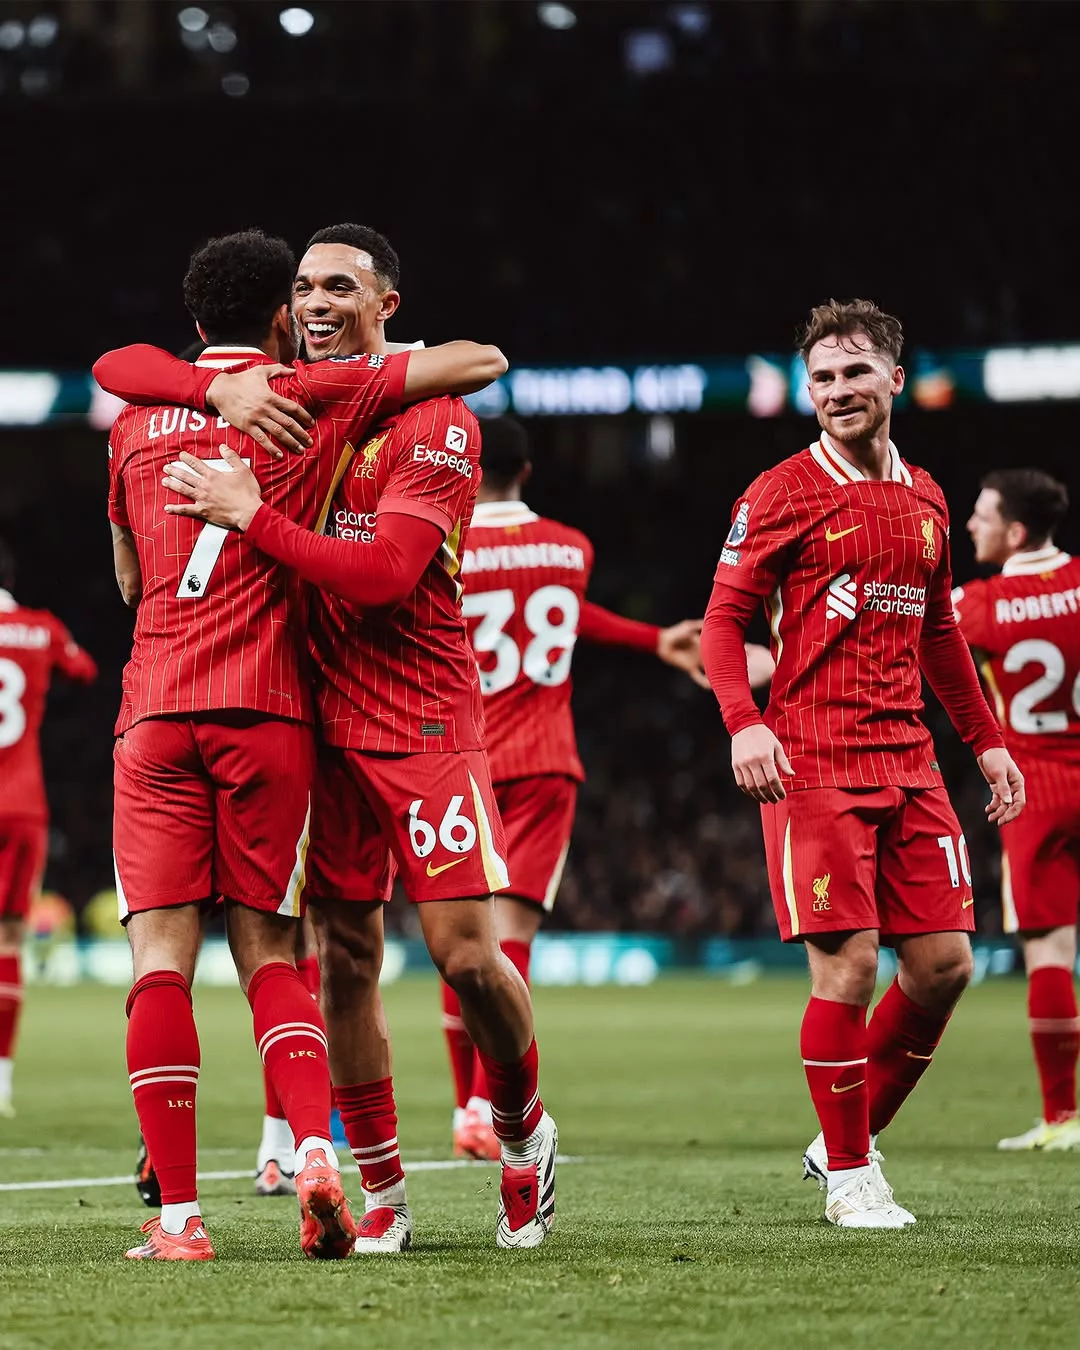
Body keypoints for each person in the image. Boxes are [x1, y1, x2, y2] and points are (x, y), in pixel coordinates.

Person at [97, 223, 558, 1254]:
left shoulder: (423, 416)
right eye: (302, 287)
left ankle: (522, 1133)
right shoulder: (279, 401)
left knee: (467, 957)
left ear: (384, 305)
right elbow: (120, 365)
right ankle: (383, 1186)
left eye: (340, 286)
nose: (315, 302)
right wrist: (215, 389)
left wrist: (249, 515)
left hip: (422, 720)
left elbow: (387, 575)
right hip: (313, 718)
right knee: (341, 958)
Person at [701, 298, 1025, 1229]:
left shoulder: (926, 496)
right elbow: (724, 622)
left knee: (944, 967)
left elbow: (940, 636)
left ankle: (843, 1135)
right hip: (812, 760)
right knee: (844, 969)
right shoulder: (778, 493)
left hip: (912, 762)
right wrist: (742, 722)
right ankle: (851, 1176)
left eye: (854, 373)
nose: (838, 392)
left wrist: (989, 743)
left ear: (894, 375)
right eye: (822, 380)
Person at [444, 415, 775, 1160]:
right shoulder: (571, 548)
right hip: (544, 759)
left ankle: (467, 1109)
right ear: (528, 472)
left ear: (465, 472)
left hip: (458, 760)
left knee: (458, 935)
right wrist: (651, 637)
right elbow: (559, 608)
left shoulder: (446, 545)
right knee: (511, 941)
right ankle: (487, 1105)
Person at [953, 469, 1080, 1151]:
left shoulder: (981, 605)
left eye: (982, 515)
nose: (971, 525)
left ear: (1017, 531)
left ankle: (1062, 1119)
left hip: (1038, 794)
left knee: (1052, 955)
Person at [0, 536, 96, 1118]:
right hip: (22, 802)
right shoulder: (41, 627)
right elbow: (83, 670)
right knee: (9, 938)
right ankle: (1, 1078)